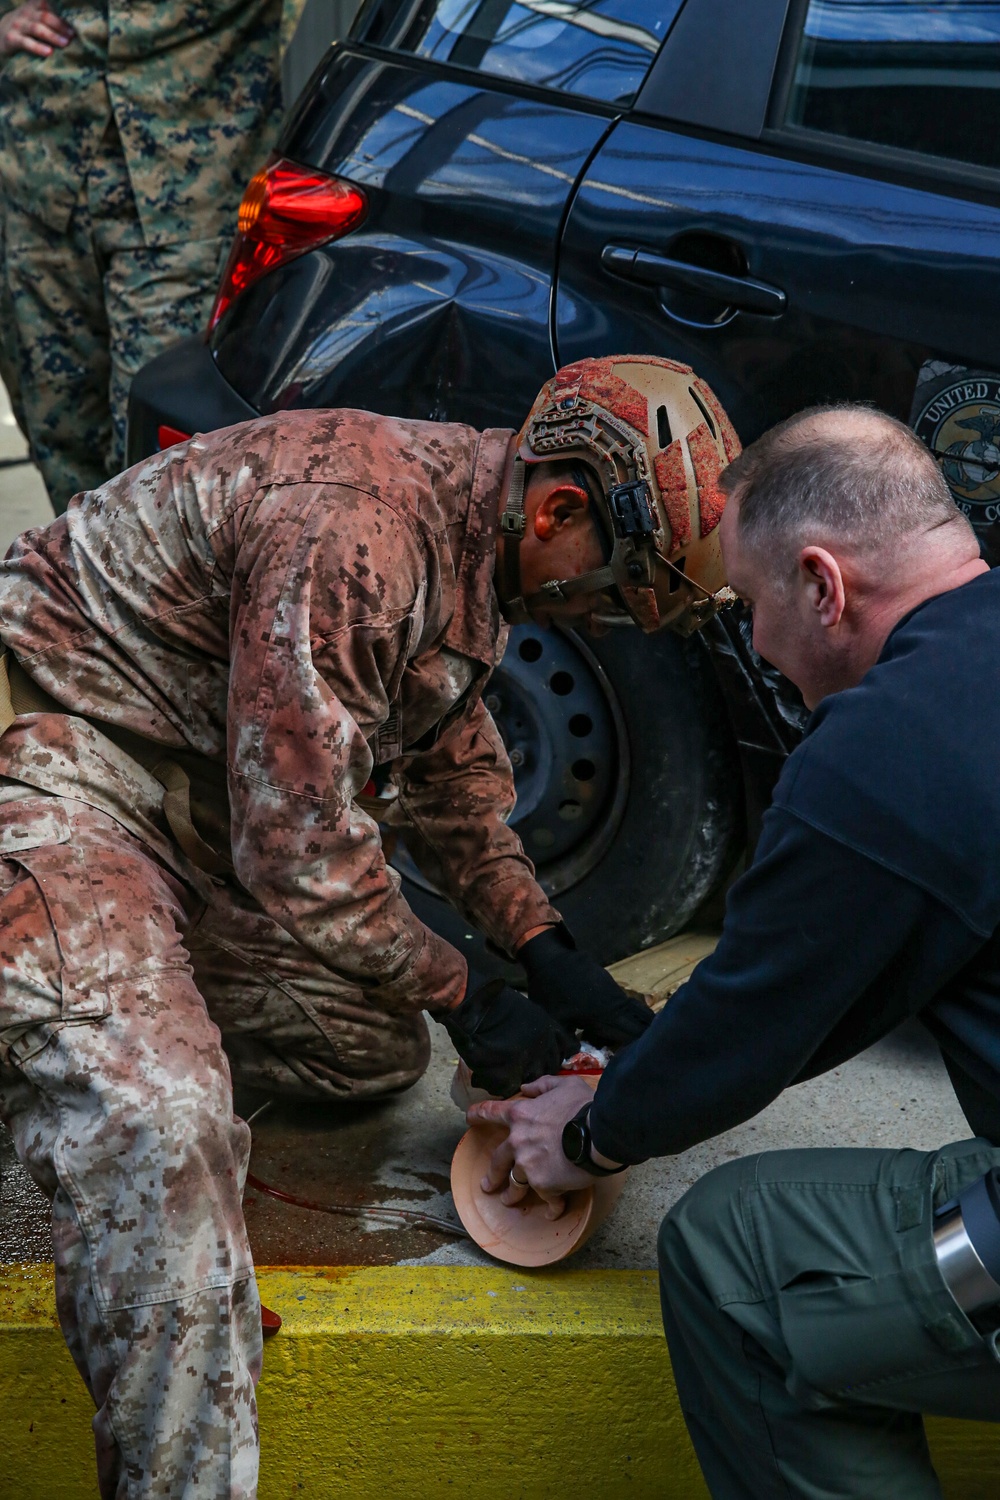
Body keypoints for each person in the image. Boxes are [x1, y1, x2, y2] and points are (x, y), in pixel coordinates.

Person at [0, 355, 732, 1496]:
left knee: (364, 1044)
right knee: (162, 1124)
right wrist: (468, 996)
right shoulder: (356, 533)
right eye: (603, 593)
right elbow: (298, 853)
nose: (595, 619)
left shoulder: (469, 529)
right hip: (60, 770)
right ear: (559, 509)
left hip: (194, 809)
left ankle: (81, 1009)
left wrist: (549, 958)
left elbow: (450, 775)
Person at [474, 404, 1000, 1499]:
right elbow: (830, 986)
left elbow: (761, 1024)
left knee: (736, 1259)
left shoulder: (886, 751)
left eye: (752, 605)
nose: (755, 643)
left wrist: (594, 1134)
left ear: (821, 584)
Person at [0, 0, 284, 513]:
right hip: (41, 173)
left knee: (161, 462)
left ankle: (147, 589)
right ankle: (84, 582)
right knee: (60, 428)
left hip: (187, 179)